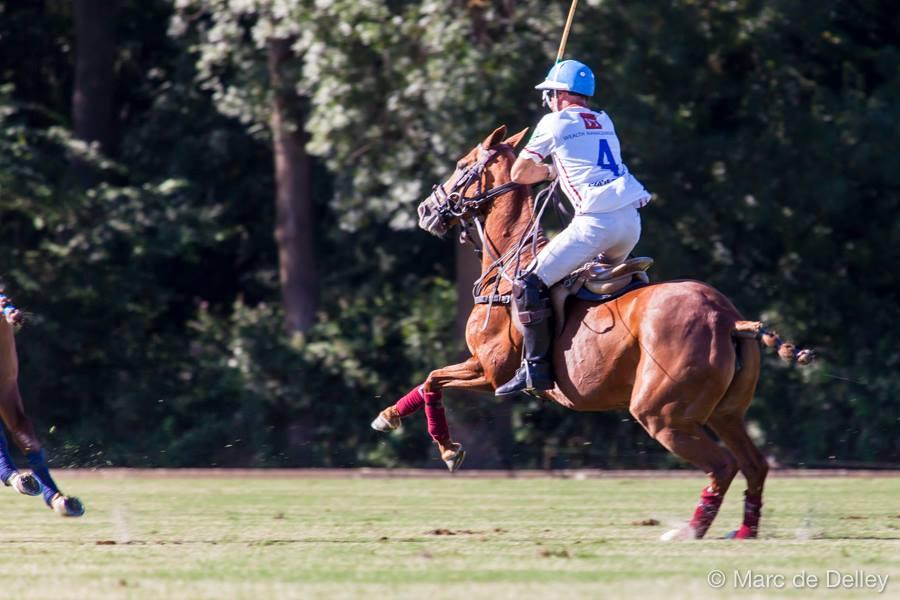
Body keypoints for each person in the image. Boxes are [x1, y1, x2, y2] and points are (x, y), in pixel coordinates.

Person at [495, 59, 651, 397]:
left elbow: (519, 174)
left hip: (596, 224)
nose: (548, 99)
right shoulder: (605, 120)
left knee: (526, 283)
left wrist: (550, 172)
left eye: (550, 93)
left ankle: (535, 369)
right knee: (584, 278)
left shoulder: (553, 121)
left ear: (561, 94)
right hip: (630, 222)